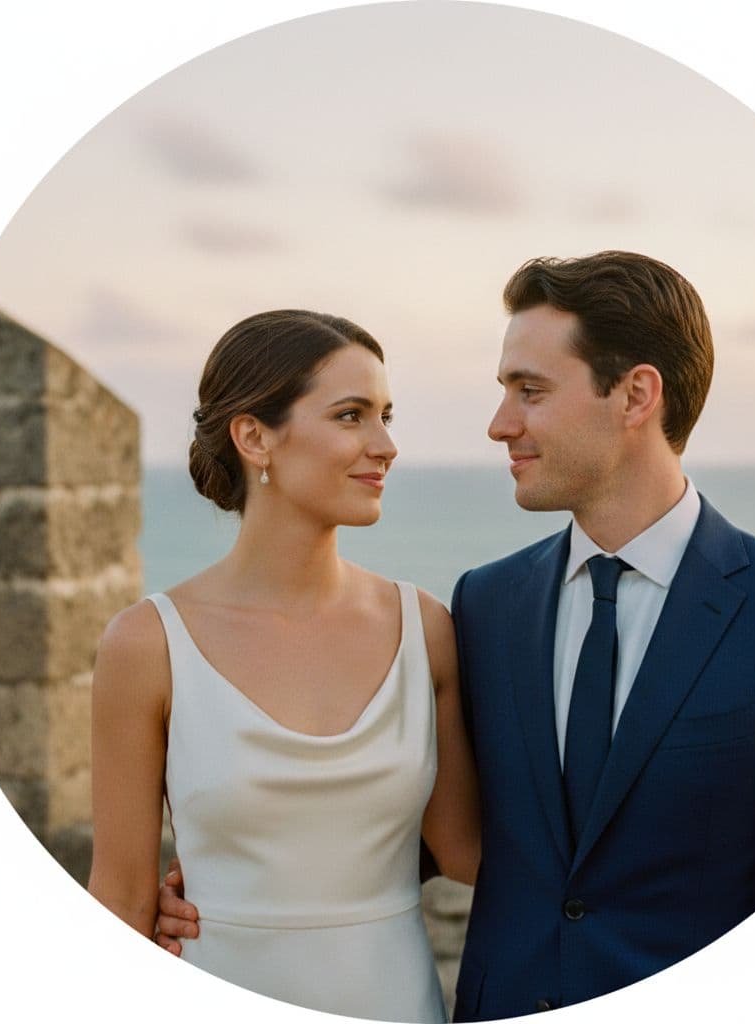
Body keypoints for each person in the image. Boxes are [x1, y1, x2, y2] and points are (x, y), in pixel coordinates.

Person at [157, 253, 755, 1019]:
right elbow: (442, 826)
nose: (500, 423)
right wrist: (232, 879)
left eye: (529, 391)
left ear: (636, 395)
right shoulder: (488, 604)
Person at [87, 309, 480, 1024]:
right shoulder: (146, 645)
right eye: (352, 415)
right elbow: (119, 900)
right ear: (254, 437)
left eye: (386, 416)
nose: (386, 445)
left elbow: (467, 851)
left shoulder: (425, 629)